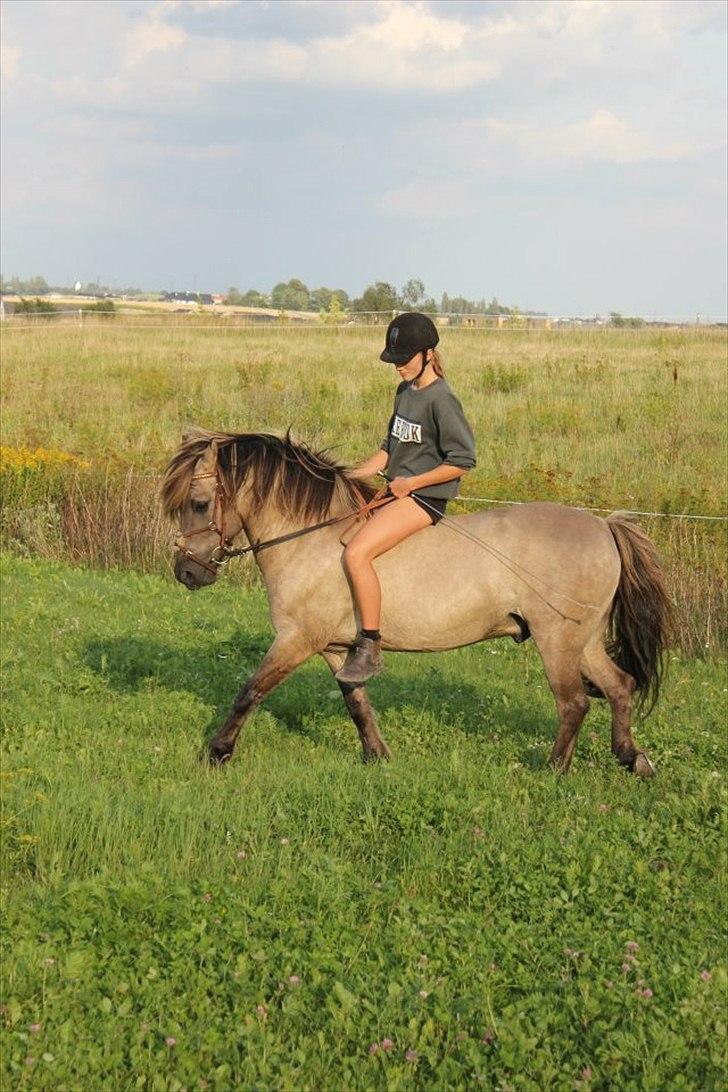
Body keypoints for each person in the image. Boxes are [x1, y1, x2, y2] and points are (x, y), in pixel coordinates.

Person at [336, 312, 476, 685]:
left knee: (356, 552)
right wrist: (353, 474)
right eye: (393, 360)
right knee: (342, 533)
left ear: (428, 354)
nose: (397, 367)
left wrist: (412, 484)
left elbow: (463, 461)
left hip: (424, 499)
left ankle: (369, 647)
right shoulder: (405, 392)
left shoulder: (442, 400)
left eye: (404, 359)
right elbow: (389, 448)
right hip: (399, 491)